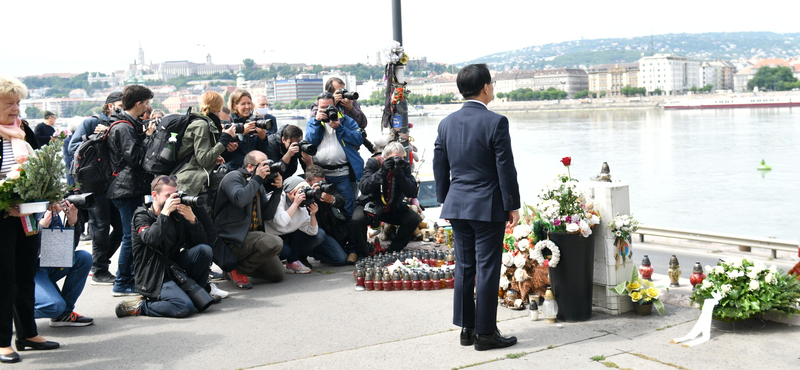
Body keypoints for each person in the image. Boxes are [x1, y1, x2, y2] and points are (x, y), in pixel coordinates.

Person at [433, 64, 520, 351]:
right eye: (492, 83)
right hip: (487, 207)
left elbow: (439, 166)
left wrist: (447, 198)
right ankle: (485, 334)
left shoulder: (445, 123)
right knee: (487, 268)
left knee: (465, 268)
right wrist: (513, 206)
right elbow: (505, 169)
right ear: (485, 87)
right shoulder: (496, 122)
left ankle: (467, 330)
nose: (492, 87)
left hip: (457, 205)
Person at [0, 75, 58, 364]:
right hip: (2, 217)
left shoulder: (22, 129)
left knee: (25, 273)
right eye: (9, 103)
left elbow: (40, 165)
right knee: (4, 279)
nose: (16, 109)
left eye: (18, 103)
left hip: (26, 215)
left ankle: (28, 334)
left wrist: (49, 194)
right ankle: (2, 342)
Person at [115, 176, 213, 318]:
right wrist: (164, 214)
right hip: (154, 274)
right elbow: (152, 240)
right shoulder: (141, 216)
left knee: (204, 250)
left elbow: (200, 244)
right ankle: (140, 306)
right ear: (154, 195)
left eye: (175, 194)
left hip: (173, 267)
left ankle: (197, 291)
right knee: (183, 307)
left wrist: (193, 221)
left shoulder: (177, 215)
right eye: (168, 196)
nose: (173, 199)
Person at [171, 91, 235, 299]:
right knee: (202, 232)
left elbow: (200, 158)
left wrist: (216, 154)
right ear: (219, 106)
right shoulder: (202, 124)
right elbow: (204, 158)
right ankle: (203, 283)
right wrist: (225, 140)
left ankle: (202, 280)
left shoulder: (203, 122)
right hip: (188, 185)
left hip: (192, 183)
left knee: (200, 233)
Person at [69, 91, 124, 285]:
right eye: (121, 105)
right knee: (100, 226)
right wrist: (96, 136)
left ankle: (98, 263)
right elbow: (73, 148)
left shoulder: (122, 124)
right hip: (95, 184)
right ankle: (99, 269)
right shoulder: (91, 122)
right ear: (110, 106)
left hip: (116, 183)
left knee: (122, 228)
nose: (123, 109)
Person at [107, 84, 155, 296]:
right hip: (125, 189)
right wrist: (148, 137)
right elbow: (135, 158)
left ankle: (129, 278)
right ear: (139, 103)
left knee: (131, 234)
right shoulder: (123, 127)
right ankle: (122, 282)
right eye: (146, 102)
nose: (148, 107)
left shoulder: (127, 124)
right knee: (130, 236)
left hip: (127, 188)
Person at [214, 150, 284, 289]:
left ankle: (234, 267)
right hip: (231, 238)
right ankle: (238, 271)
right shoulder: (232, 177)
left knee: (277, 275)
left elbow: (267, 214)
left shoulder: (258, 183)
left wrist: (278, 191)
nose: (267, 168)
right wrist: (257, 179)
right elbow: (240, 200)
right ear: (250, 167)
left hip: (250, 237)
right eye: (263, 165)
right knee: (274, 243)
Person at [352, 142, 419, 257]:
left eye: (400, 158)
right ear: (385, 157)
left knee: (413, 218)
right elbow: (364, 188)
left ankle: (393, 249)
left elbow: (412, 192)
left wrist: (400, 175)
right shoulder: (374, 163)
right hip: (370, 205)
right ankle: (362, 253)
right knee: (357, 220)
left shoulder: (404, 166)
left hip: (392, 207)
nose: (397, 161)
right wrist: (382, 172)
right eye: (393, 159)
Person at [304, 93, 363, 220]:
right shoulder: (313, 123)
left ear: (335, 106)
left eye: (329, 107)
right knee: (321, 209)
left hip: (341, 173)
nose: (326, 110)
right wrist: (316, 122)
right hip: (320, 175)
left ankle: (351, 239)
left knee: (347, 208)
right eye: (323, 108)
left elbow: (358, 139)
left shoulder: (346, 120)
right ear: (318, 108)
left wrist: (339, 127)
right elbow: (309, 142)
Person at [35, 201, 93, 327]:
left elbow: (64, 252)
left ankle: (64, 315)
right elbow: (20, 251)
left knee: (83, 258)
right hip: (26, 269)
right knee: (54, 306)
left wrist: (72, 224)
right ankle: (8, 313)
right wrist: (42, 227)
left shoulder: (47, 210)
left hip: (45, 265)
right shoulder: (16, 211)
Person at [303, 165, 352, 263]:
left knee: (341, 259)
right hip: (311, 232)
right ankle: (303, 254)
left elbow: (341, 202)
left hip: (329, 232)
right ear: (307, 182)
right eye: (317, 183)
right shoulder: (302, 191)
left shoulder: (326, 188)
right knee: (340, 258)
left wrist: (331, 199)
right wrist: (312, 196)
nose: (320, 185)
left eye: (322, 182)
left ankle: (322, 253)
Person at [221, 89, 275, 170]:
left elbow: (263, 151)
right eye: (243, 104)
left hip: (253, 169)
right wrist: (242, 132)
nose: (247, 107)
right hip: (234, 169)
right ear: (234, 106)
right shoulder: (228, 122)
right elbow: (223, 152)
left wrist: (263, 138)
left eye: (249, 103)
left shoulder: (256, 121)